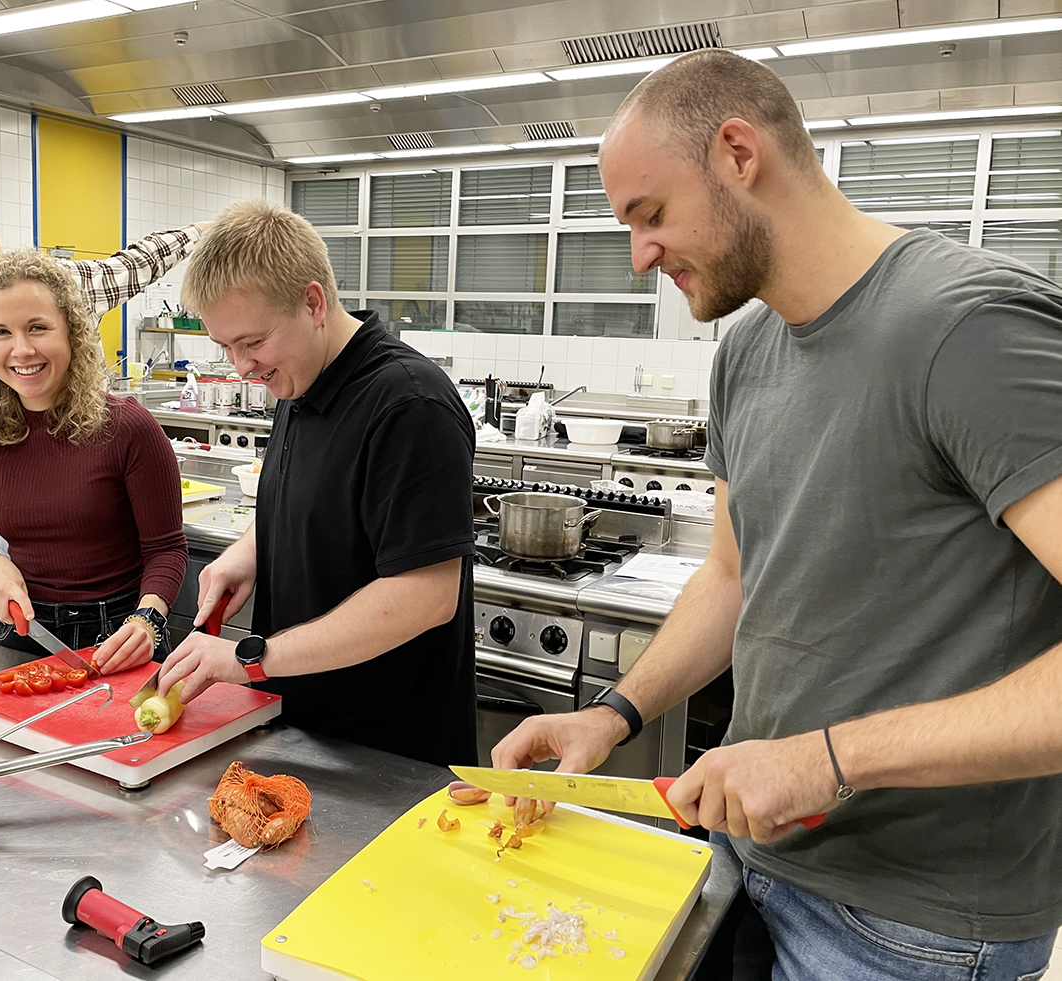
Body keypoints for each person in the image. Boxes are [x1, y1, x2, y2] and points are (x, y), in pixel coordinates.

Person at [491, 48, 1062, 980]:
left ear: (738, 154)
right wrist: (615, 713)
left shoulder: (969, 330)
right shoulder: (747, 349)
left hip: (914, 925)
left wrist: (825, 759)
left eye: (651, 214)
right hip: (748, 861)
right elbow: (731, 576)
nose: (639, 256)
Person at [154, 200, 477, 768]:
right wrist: (246, 554)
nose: (241, 367)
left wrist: (250, 658)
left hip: (386, 757)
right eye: (225, 346)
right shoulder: (300, 381)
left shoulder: (408, 404)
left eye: (252, 343)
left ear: (312, 303)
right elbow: (310, 501)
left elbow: (424, 597)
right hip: (302, 733)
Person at [0, 249, 188, 672]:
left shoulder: (127, 426)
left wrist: (149, 618)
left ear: (71, 332)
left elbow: (167, 549)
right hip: (22, 631)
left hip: (123, 634)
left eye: (38, 328)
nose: (22, 349)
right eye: (0, 333)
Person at [0, 182, 204, 435]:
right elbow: (132, 266)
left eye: (36, 328)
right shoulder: (49, 284)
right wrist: (198, 232)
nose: (21, 350)